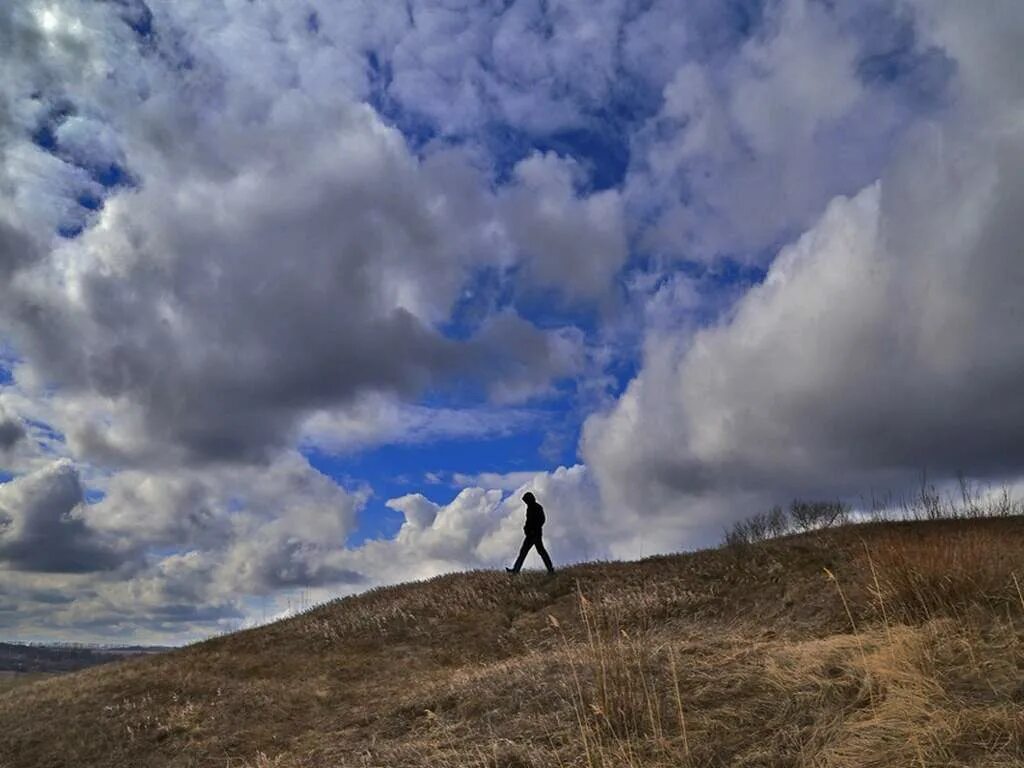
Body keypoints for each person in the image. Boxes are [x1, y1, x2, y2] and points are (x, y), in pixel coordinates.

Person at [506, 491, 555, 574]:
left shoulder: (537, 507)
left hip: (535, 534)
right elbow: (529, 521)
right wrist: (526, 528)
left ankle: (550, 569)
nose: (525, 502)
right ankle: (516, 570)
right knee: (528, 551)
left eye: (526, 501)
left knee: (535, 551)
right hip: (531, 534)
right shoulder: (530, 508)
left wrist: (533, 529)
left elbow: (542, 520)